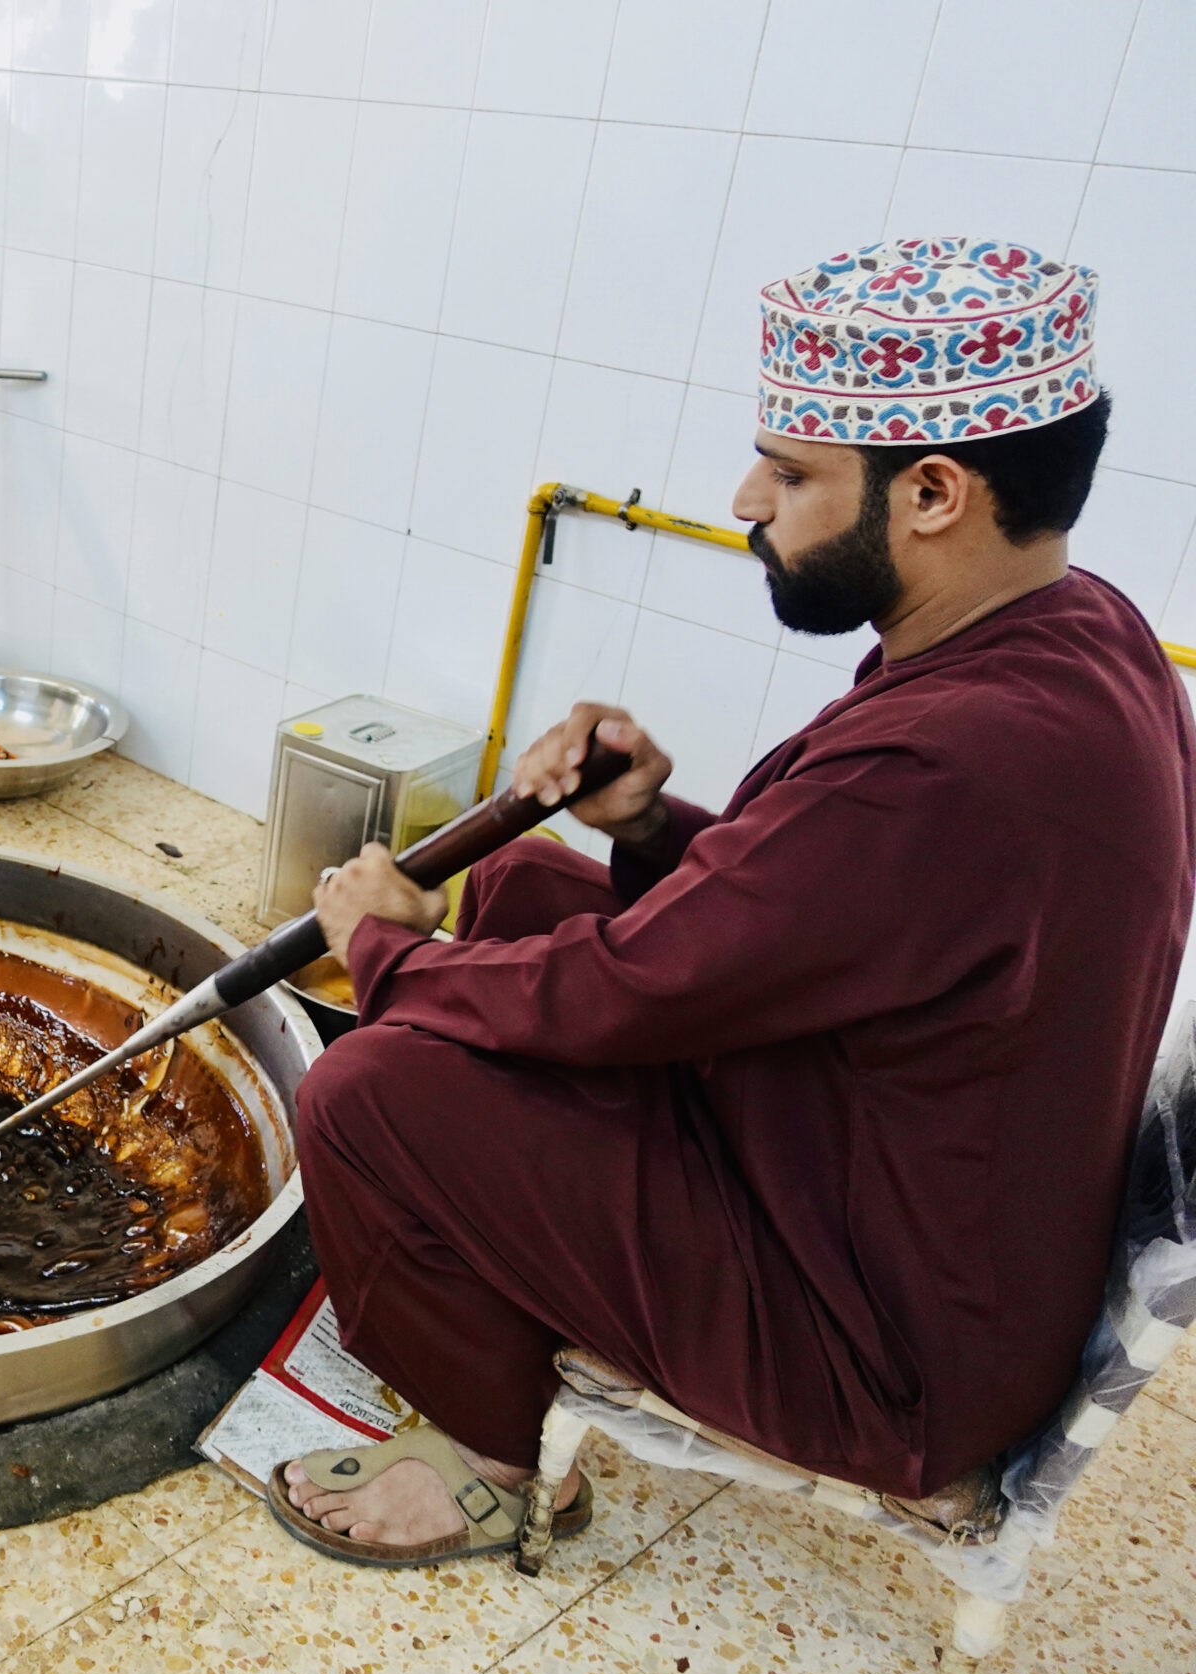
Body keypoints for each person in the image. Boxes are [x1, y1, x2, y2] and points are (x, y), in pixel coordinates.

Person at [267, 237, 1196, 1567]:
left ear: (933, 492)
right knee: (529, 877)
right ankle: (490, 1284)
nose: (749, 495)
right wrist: (644, 825)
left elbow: (638, 989)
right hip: (905, 1205)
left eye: (795, 470)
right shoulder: (1080, 633)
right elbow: (836, 911)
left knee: (370, 1092)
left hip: (878, 1350)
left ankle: (487, 1457)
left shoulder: (963, 756)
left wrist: (384, 951)